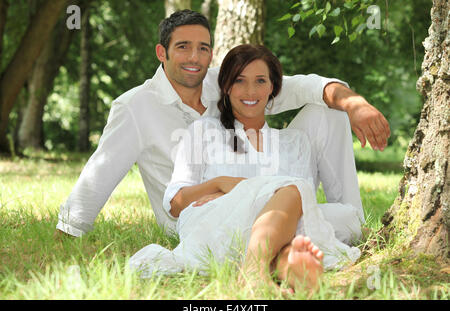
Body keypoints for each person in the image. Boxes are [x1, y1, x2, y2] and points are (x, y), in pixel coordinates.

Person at [55, 10, 390, 239]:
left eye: (202, 48)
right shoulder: (134, 107)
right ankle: (304, 232)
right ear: (162, 52)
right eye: (182, 47)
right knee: (289, 217)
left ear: (211, 54)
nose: (193, 58)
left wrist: (353, 103)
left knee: (327, 110)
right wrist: (70, 230)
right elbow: (100, 171)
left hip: (265, 196)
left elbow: (301, 87)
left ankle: (350, 225)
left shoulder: (229, 83)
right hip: (200, 216)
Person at [129, 44, 362, 291]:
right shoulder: (205, 131)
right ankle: (255, 271)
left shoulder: (295, 142)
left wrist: (259, 193)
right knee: (292, 190)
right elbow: (176, 204)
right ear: (226, 87)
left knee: (346, 217)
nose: (250, 90)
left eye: (260, 81)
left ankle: (284, 262)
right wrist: (220, 184)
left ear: (273, 87)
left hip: (276, 224)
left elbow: (302, 208)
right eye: (240, 80)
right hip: (218, 224)